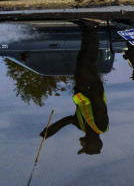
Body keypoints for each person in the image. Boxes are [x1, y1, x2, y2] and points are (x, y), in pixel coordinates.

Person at [41, 20, 108, 154]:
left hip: (81, 87)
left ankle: (88, 29)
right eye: (83, 145)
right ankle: (92, 27)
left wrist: (47, 133)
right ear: (90, 142)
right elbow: (99, 105)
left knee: (82, 58)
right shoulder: (101, 127)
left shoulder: (82, 126)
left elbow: (67, 120)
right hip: (91, 87)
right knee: (87, 59)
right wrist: (89, 87)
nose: (80, 143)